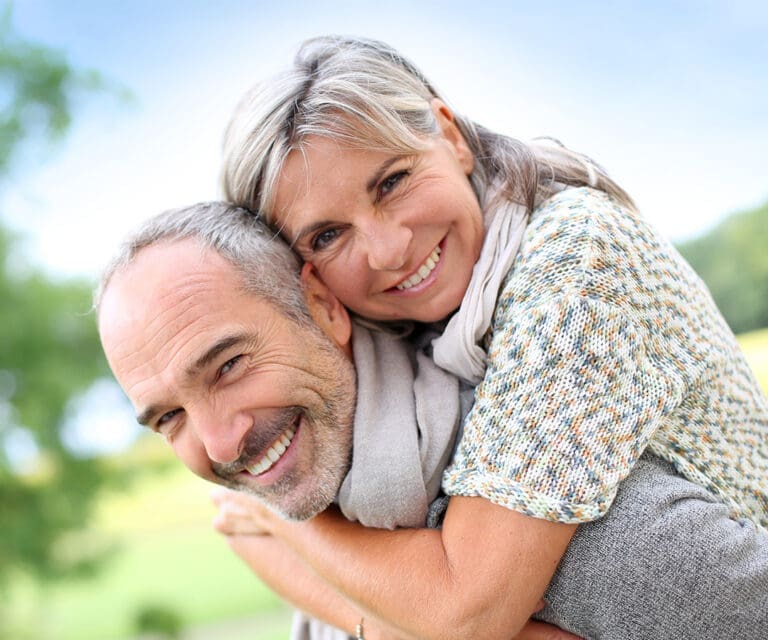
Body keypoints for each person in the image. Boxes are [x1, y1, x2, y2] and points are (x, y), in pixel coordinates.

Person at [217, 35, 768, 639]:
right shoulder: (402, 337)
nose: (389, 248)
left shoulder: (577, 261)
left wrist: (285, 513)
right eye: (327, 236)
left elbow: (467, 614)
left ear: (449, 135)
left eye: (391, 182)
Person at [96, 203, 768, 640]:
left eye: (229, 365)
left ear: (322, 306)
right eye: (170, 417)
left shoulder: (548, 496)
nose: (219, 445)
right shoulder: (313, 519)